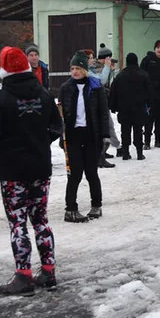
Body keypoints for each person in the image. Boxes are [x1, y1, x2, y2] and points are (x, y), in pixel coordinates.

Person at [0, 47, 63, 295]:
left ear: (4, 70)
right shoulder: (44, 94)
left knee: (18, 222)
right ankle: (49, 272)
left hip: (12, 170)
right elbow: (57, 128)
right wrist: (39, 142)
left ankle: (24, 276)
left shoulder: (0, 98)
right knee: (40, 220)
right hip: (40, 167)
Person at [58, 51, 111, 222]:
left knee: (91, 172)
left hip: (91, 135)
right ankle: (70, 208)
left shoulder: (95, 87)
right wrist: (61, 136)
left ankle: (96, 205)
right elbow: (62, 115)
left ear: (85, 69)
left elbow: (103, 113)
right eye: (72, 68)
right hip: (73, 135)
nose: (75, 71)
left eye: (78, 68)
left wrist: (105, 135)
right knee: (74, 174)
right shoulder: (66, 88)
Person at [107, 52, 150, 161]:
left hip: (124, 109)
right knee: (138, 130)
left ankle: (125, 153)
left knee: (125, 131)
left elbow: (113, 93)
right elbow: (149, 92)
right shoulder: (144, 75)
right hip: (139, 108)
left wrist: (113, 107)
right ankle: (139, 153)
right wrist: (149, 105)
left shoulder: (120, 76)